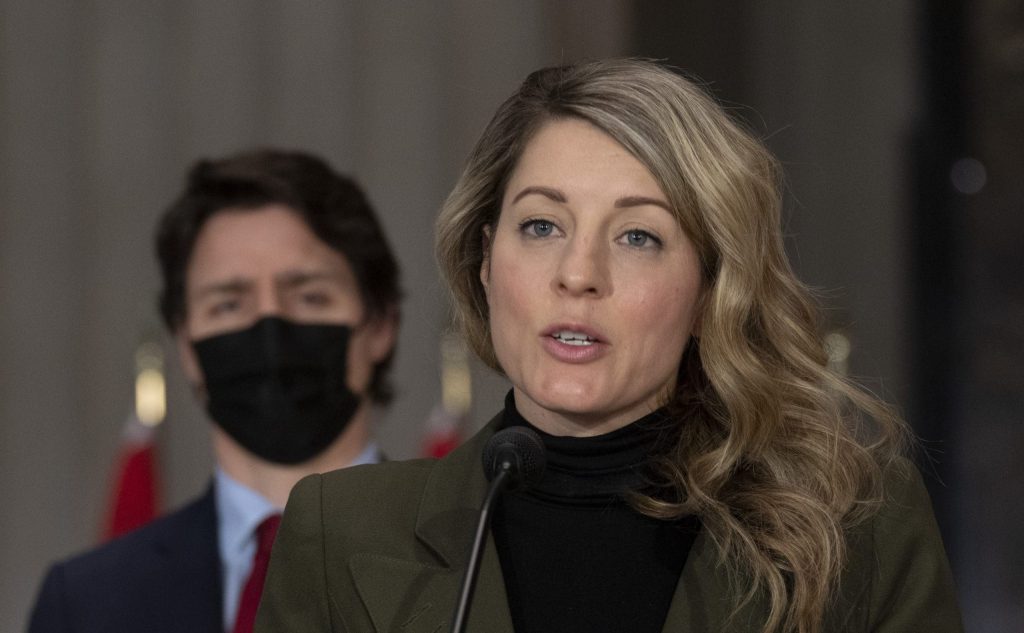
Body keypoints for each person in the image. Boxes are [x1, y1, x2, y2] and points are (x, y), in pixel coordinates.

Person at [256, 60, 963, 633]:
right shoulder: (339, 533)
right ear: (484, 260)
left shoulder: (852, 523)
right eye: (541, 225)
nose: (578, 273)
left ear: (709, 293)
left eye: (638, 236)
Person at [28, 149, 401, 633]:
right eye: (228, 305)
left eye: (309, 296)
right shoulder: (85, 603)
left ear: (380, 326)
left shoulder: (480, 557)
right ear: (186, 347)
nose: (269, 330)